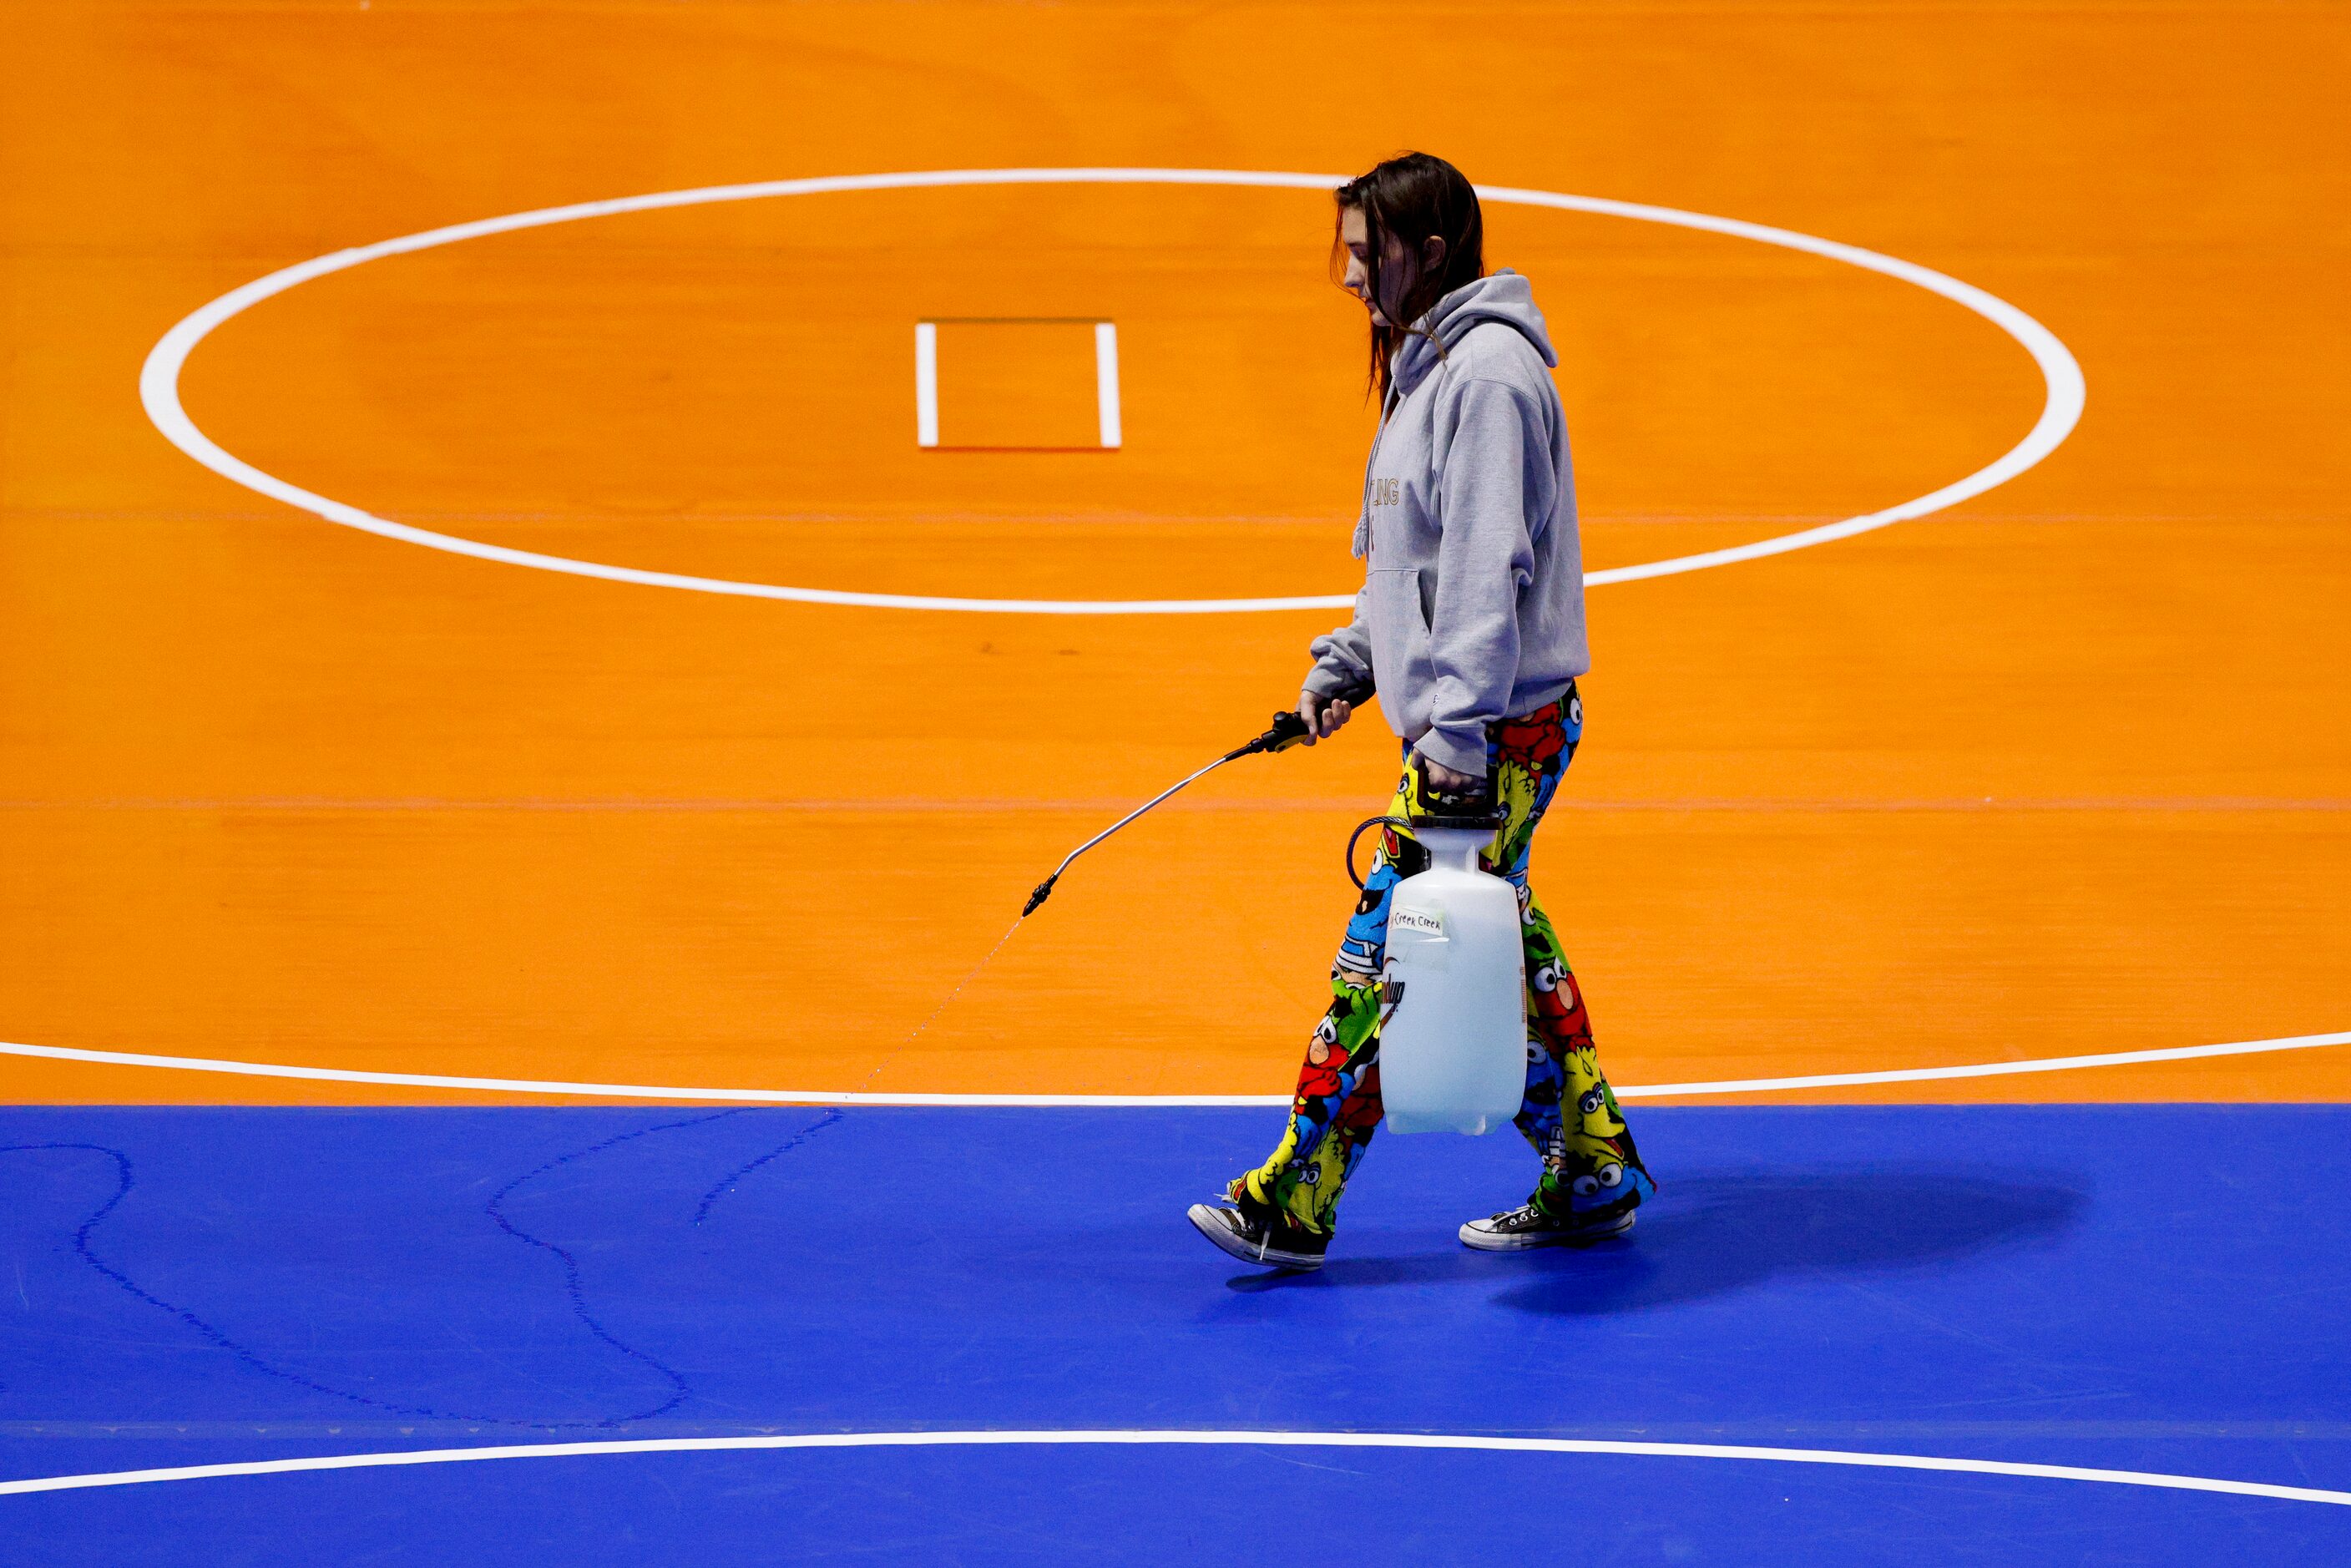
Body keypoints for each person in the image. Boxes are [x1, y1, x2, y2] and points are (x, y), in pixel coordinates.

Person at [1188, 152, 1654, 1272]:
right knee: (1498, 944)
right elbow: (1410, 559)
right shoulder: (1424, 365)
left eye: (1367, 249)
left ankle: (1293, 1193)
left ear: (1430, 253)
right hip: (1470, 720)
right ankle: (1592, 1166)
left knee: (1387, 952)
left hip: (1490, 729)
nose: (1349, 272)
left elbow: (1489, 570)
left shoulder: (1487, 379)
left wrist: (1449, 740)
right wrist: (1350, 666)